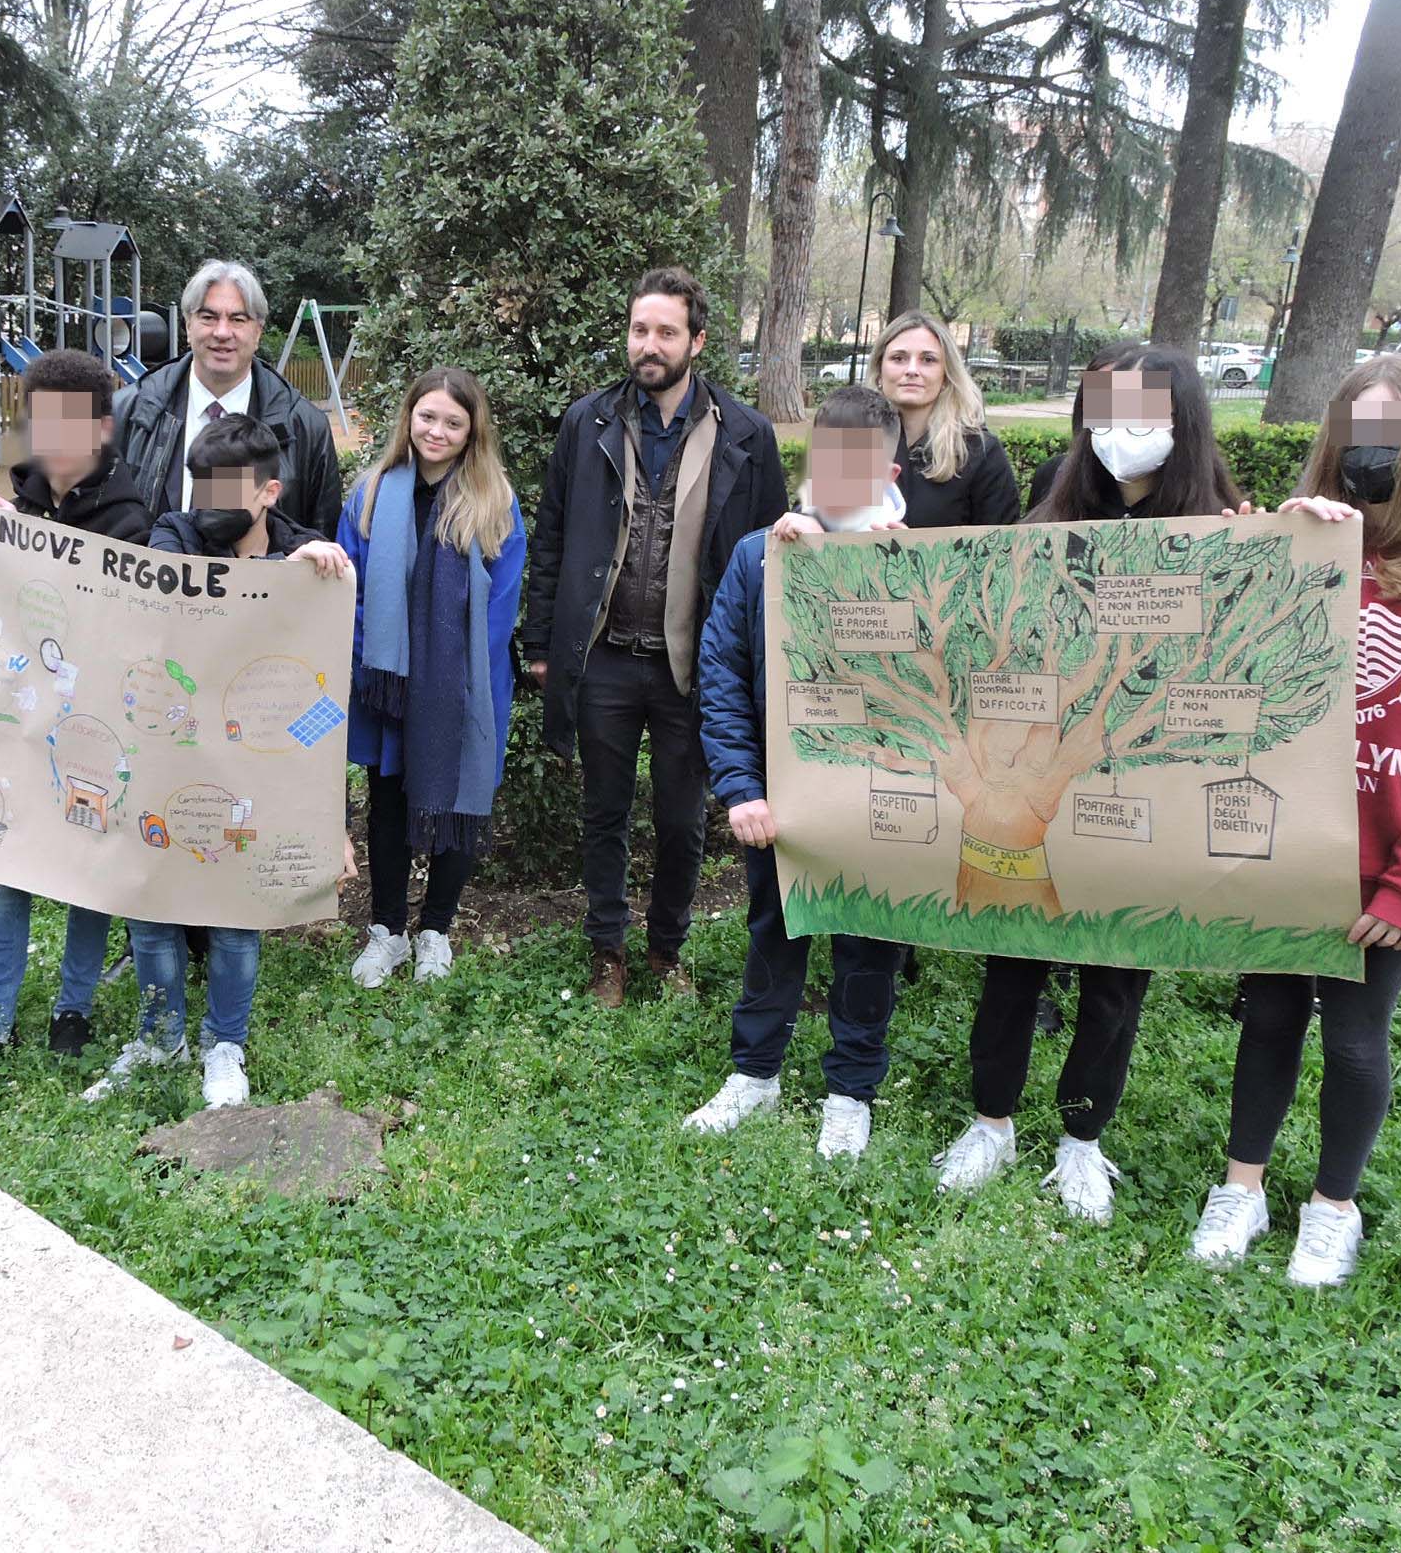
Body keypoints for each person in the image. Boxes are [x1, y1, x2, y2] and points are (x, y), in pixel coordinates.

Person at [1190, 353, 1401, 1286]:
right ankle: (1242, 1186)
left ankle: (1332, 1204)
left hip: (1388, 864)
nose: (1369, 452)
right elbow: (1213, 669)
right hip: (1284, 848)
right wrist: (1261, 550)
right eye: (1355, 433)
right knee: (1267, 1022)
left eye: (1393, 434)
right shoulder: (1294, 541)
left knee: (1353, 1035)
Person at [935, 345, 1243, 1224]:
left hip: (1150, 779)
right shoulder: (1054, 505)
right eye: (1106, 413)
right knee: (1015, 951)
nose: (1121, 435)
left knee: (1117, 969)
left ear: (1183, 424)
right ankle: (990, 1120)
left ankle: (1082, 1139)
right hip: (1045, 774)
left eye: (1144, 416)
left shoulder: (1223, 522)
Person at [522, 266, 788, 1006]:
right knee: (603, 812)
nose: (650, 343)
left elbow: (768, 556)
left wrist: (755, 669)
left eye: (666, 331)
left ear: (696, 341)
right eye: (641, 329)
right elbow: (553, 536)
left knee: (680, 821)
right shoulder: (589, 421)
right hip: (604, 658)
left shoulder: (747, 434)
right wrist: (542, 642)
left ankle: (666, 949)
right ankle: (606, 949)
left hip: (693, 668)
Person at [85, 413, 353, 1110]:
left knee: (236, 915)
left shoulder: (308, 556)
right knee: (150, 905)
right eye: (200, 485)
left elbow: (318, 672)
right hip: (165, 755)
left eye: (225, 489)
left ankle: (222, 1043)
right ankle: (158, 1033)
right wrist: (270, 581)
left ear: (268, 492)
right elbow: (164, 595)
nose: (208, 502)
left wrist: (305, 576)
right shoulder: (173, 534)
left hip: (251, 773)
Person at [685, 387, 910, 1159]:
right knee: (775, 932)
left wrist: (893, 560)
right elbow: (721, 672)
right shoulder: (760, 555)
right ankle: (755, 1073)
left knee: (869, 944)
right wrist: (741, 787)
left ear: (891, 466)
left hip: (880, 802)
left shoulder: (920, 556)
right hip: (782, 803)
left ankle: (851, 1090)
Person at [0, 350, 147, 1105]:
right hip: (12, 729)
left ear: (103, 427)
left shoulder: (133, 517)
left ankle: (72, 1011)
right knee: (6, 874)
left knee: (85, 872)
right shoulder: (2, 515)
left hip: (92, 728)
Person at [337, 367, 526, 990]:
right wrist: (382, 665)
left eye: (452, 421)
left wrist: (454, 678)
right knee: (387, 801)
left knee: (462, 800)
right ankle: (387, 930)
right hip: (387, 681)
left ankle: (436, 929)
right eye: (427, 417)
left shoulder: (496, 501)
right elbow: (352, 593)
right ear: (408, 418)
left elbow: (500, 607)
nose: (436, 431)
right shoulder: (369, 494)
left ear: (473, 430)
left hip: (463, 686)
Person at [110, 259, 342, 538]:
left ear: (257, 331)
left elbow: (322, 538)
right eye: (208, 318)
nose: (222, 332)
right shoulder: (126, 412)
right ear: (188, 325)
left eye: (237, 319)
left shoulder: (305, 428)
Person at [869, 311, 1021, 528]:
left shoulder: (981, 453)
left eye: (928, 360)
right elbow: (813, 514)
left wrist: (910, 552)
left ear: (946, 376)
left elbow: (1004, 548)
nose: (912, 370)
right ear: (879, 371)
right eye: (898, 358)